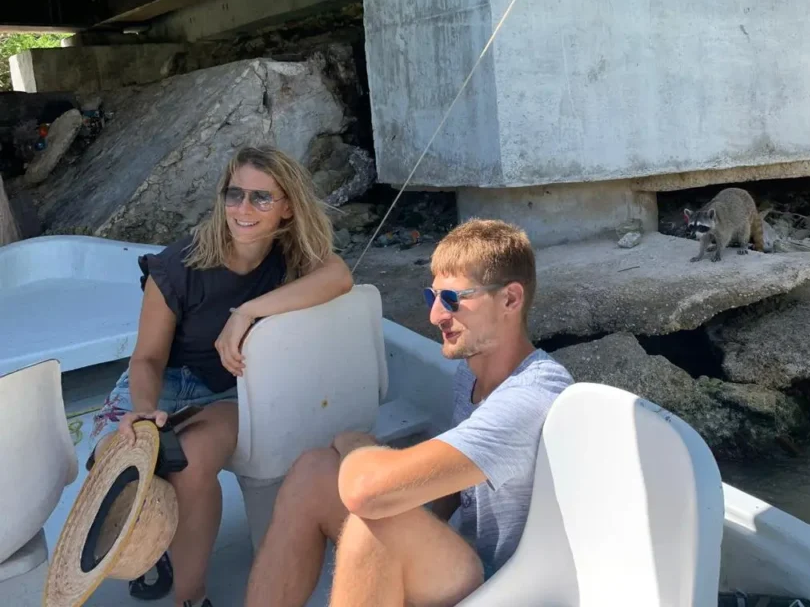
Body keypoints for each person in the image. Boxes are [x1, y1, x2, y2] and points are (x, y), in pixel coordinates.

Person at [244, 219, 573, 607]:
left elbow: (366, 491)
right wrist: (422, 527)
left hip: (510, 587)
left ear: (510, 300)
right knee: (313, 473)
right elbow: (456, 488)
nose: (435, 315)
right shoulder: (470, 375)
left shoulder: (531, 396)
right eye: (431, 297)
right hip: (465, 562)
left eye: (452, 299)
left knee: (376, 521)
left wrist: (357, 446)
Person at [87, 145, 354, 607]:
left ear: (288, 207)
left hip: (227, 391)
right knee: (117, 466)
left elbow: (340, 276)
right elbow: (147, 358)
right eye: (235, 194)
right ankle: (154, 545)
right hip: (161, 382)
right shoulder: (179, 265)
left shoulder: (291, 257)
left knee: (189, 464)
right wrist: (145, 410)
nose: (243, 208)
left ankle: (191, 598)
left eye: (261, 197)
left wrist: (246, 311)